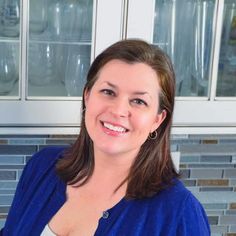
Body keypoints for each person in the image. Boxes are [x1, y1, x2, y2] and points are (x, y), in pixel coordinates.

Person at [1, 39, 210, 236]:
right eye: (108, 92)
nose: (118, 110)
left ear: (157, 119)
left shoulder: (180, 214)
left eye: (138, 101)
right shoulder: (42, 167)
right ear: (87, 96)